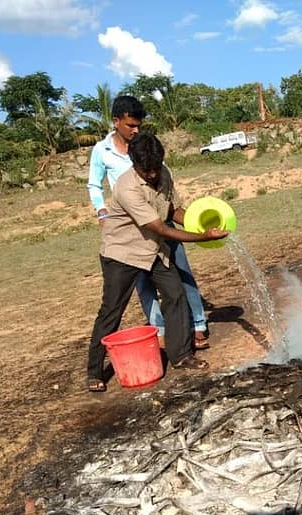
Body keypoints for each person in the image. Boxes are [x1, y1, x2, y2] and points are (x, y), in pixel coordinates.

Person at [86, 133, 227, 392]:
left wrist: (203, 224)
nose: (152, 175)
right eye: (145, 170)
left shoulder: (164, 173)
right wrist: (201, 237)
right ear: (133, 162)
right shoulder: (126, 187)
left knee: (175, 295)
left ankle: (182, 355)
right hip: (123, 254)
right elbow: (160, 227)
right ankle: (94, 371)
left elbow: (173, 210)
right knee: (111, 311)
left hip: (153, 250)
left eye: (155, 168)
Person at [88, 95, 211, 349]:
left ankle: (197, 325)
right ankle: (160, 331)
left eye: (139, 125)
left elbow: (170, 202)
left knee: (181, 275)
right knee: (143, 285)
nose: (136, 130)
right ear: (116, 121)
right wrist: (102, 212)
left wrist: (199, 224)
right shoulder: (102, 151)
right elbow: (94, 184)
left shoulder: (149, 149)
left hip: (160, 219)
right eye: (131, 125)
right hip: (135, 230)